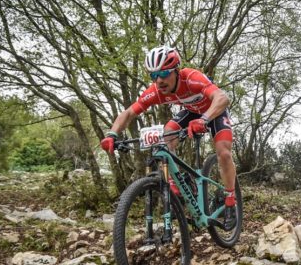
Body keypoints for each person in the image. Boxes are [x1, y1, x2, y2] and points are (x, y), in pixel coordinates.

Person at [100, 45, 237, 229]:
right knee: (166, 136)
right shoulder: (156, 91)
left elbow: (222, 98)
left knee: (224, 153)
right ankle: (177, 184)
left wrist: (204, 119)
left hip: (214, 111)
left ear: (176, 71)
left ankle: (230, 201)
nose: (159, 80)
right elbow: (129, 112)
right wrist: (112, 134)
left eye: (164, 73)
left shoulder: (191, 77)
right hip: (191, 112)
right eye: (154, 76)